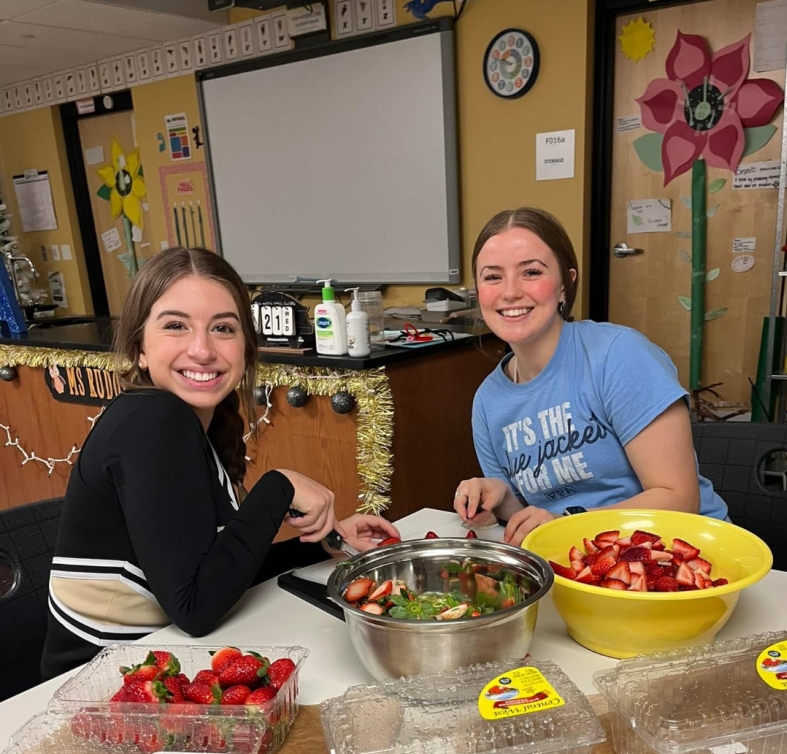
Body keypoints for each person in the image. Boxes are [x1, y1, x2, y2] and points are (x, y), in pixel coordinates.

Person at [42, 248, 397, 678]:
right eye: (176, 325)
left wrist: (319, 546)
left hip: (155, 668)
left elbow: (215, 573)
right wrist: (279, 486)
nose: (202, 349)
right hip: (99, 689)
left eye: (223, 328)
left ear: (245, 349)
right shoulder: (153, 421)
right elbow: (195, 609)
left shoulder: (186, 422)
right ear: (138, 348)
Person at [454, 207, 727, 546]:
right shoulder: (487, 401)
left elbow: (679, 499)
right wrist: (498, 501)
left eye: (531, 272)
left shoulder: (618, 355)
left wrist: (564, 525)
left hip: (679, 552)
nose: (510, 292)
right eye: (492, 277)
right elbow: (534, 513)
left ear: (565, 285)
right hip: (579, 560)